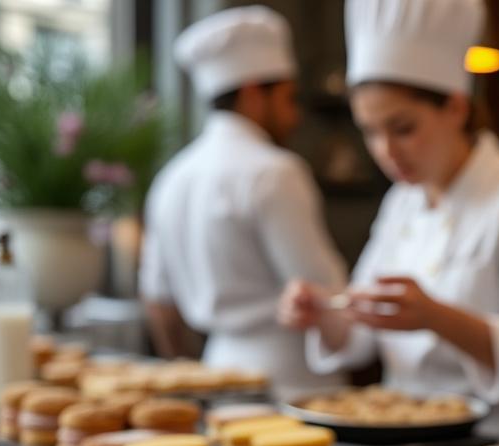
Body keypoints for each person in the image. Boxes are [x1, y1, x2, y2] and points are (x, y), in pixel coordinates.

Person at [278, 0, 499, 446]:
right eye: (370, 131)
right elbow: (363, 330)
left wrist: (438, 319)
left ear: (456, 108)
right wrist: (325, 312)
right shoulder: (402, 203)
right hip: (405, 442)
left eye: (402, 128)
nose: (385, 151)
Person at [140, 6, 347, 398]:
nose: (295, 115)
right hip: (293, 378)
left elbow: (157, 302)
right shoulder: (276, 171)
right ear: (254, 93)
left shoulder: (172, 177)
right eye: (288, 98)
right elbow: (324, 292)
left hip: (216, 372)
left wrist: (181, 371)